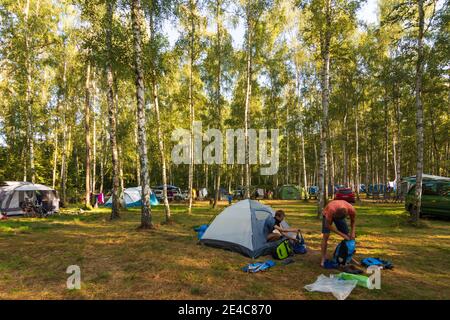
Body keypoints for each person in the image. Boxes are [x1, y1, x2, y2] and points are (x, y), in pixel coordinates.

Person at [320, 200, 356, 267]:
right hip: (327, 214)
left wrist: (353, 232)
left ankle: (348, 256)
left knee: (348, 235)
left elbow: (353, 222)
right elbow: (327, 225)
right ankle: (323, 258)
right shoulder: (330, 211)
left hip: (338, 213)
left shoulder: (351, 209)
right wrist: (342, 235)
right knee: (326, 235)